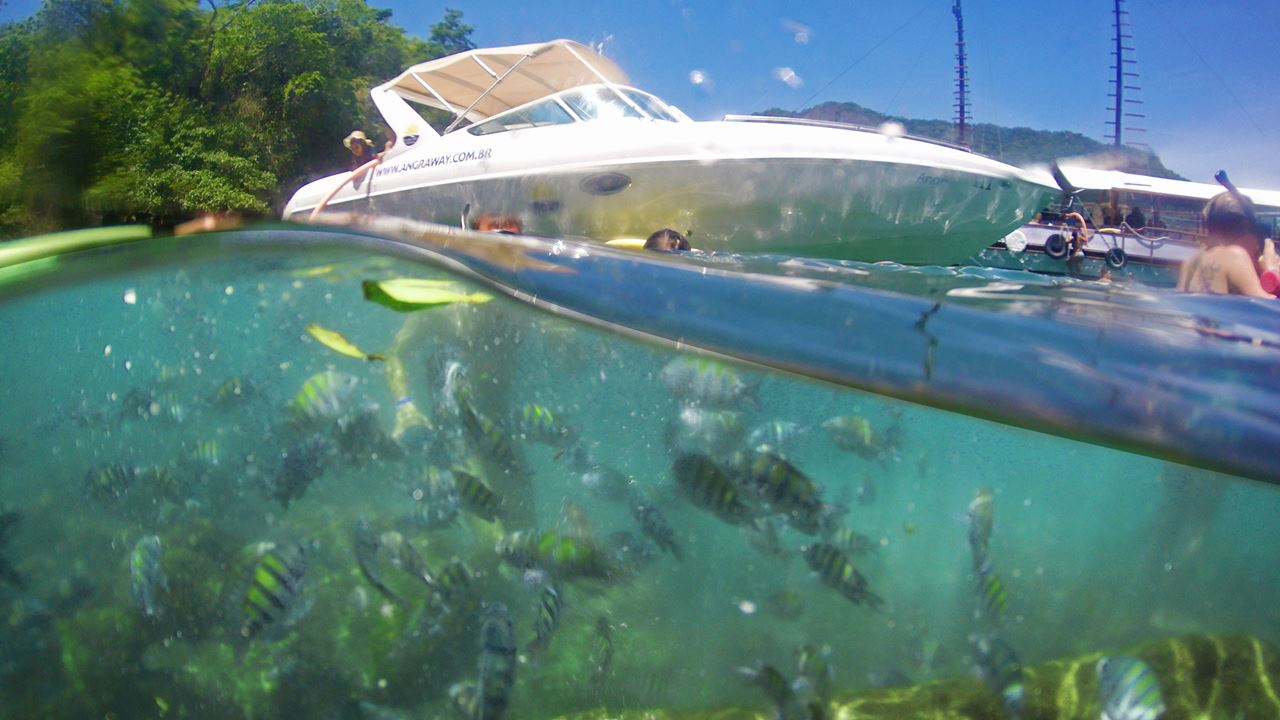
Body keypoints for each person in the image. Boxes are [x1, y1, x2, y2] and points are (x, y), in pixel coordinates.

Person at [1176, 191, 1278, 298]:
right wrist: (1272, 270)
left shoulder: (1189, 262)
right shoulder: (1234, 256)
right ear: (1245, 228)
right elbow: (1268, 305)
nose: (1257, 242)